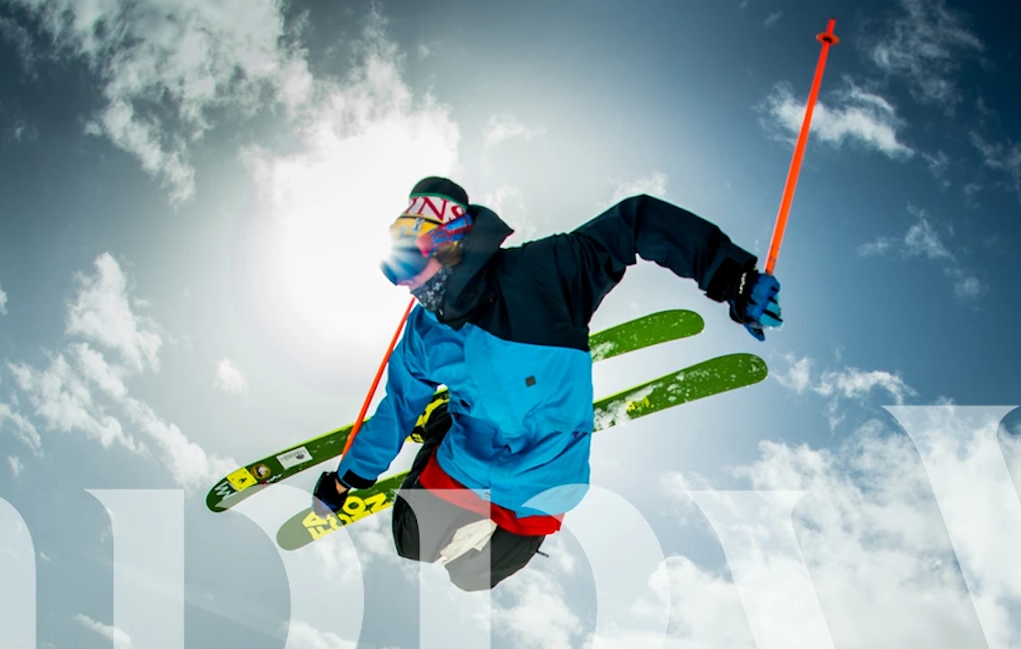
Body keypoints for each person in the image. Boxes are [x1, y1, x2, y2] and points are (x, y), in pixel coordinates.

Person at [311, 177, 784, 591]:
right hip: (467, 460)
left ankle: (454, 438)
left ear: (448, 241)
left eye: (408, 265)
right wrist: (348, 479)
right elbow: (397, 409)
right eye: (396, 272)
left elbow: (635, 222)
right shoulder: (423, 333)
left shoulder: (545, 272)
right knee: (411, 542)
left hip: (543, 476)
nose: (405, 284)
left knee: (471, 577)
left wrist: (732, 277)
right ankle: (441, 424)